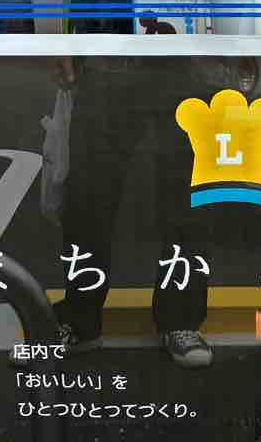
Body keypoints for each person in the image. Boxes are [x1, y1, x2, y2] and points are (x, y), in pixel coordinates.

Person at [52, 56, 216, 368]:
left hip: (184, 57)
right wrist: (61, 44)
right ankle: (80, 320)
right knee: (88, 194)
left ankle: (181, 319)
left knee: (187, 195)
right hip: (109, 54)